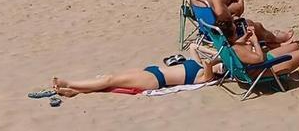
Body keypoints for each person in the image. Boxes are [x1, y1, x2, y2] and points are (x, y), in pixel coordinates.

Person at [51, 56, 215, 97]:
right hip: (153, 70)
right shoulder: (201, 63)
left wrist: (210, 66)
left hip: (156, 80)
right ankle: (74, 91)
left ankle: (69, 82)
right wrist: (214, 57)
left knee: (110, 80)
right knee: (110, 78)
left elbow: (206, 79)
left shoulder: (204, 74)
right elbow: (194, 46)